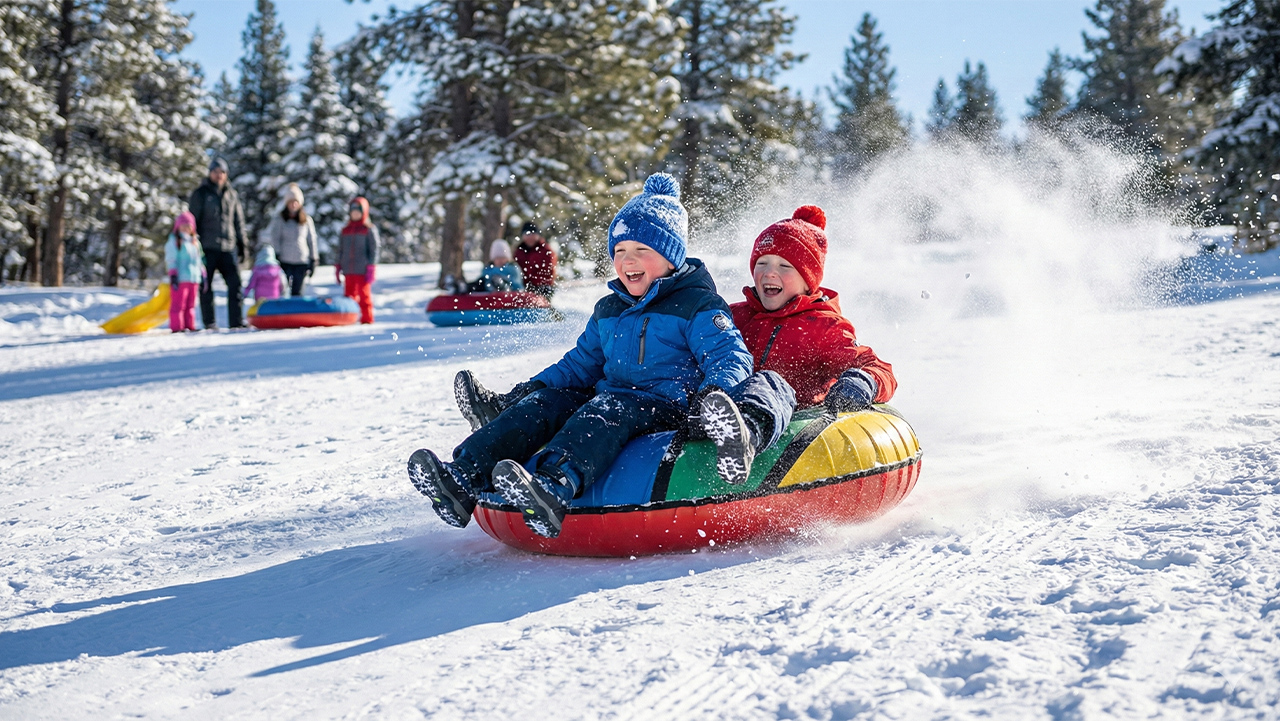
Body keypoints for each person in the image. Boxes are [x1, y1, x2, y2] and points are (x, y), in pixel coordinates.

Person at [408, 173, 762, 538]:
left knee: (605, 410)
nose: (628, 261)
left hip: (665, 405)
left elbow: (730, 356)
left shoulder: (698, 305)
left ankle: (552, 486)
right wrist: (530, 388)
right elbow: (580, 364)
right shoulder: (609, 308)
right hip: (614, 395)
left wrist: (712, 398)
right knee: (547, 403)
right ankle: (463, 478)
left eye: (642, 250)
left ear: (671, 255)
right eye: (620, 251)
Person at [726, 205, 897, 448]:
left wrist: (864, 381)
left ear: (808, 280)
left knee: (771, 381)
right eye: (762, 263)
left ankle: (744, 437)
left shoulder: (822, 327)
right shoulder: (734, 316)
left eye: (784, 267)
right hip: (730, 405)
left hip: (792, 431)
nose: (769, 274)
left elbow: (876, 366)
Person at [189, 158, 248, 329]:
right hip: (207, 247)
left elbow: (238, 221)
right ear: (210, 173)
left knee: (235, 284)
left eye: (222, 172)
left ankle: (236, 322)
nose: (219, 175)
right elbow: (192, 221)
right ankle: (210, 322)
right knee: (206, 287)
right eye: (216, 172)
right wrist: (193, 243)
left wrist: (242, 243)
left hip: (228, 247)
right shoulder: (200, 194)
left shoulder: (231, 194)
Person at [266, 183, 318, 297]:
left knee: (298, 292)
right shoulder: (280, 219)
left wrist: (313, 258)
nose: (293, 205)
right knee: (283, 290)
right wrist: (277, 254)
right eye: (291, 202)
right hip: (285, 261)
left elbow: (311, 240)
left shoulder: (306, 220)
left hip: (301, 261)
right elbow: (275, 238)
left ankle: (297, 314)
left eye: (296, 202)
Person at [336, 197, 379, 324]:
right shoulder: (345, 230)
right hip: (348, 269)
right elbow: (340, 250)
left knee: (364, 296)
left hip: (362, 269)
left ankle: (367, 319)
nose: (355, 214)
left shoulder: (368, 229)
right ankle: (349, 319)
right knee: (349, 297)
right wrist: (338, 266)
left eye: (358, 211)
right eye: (353, 211)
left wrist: (371, 266)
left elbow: (374, 249)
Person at [164, 211, 204, 333]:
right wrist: (173, 273)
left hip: (193, 278)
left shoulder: (195, 242)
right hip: (181, 278)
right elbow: (171, 258)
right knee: (178, 304)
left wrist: (203, 273)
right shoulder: (175, 241)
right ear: (178, 226)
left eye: (189, 226)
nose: (186, 228)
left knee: (190, 305)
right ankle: (177, 327)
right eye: (183, 225)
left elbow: (199, 259)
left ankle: (189, 325)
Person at [514, 221, 558, 298]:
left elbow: (549, 271)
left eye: (533, 234)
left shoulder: (545, 250)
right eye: (527, 234)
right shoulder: (519, 251)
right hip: (523, 288)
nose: (530, 237)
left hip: (542, 288)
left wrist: (535, 285)